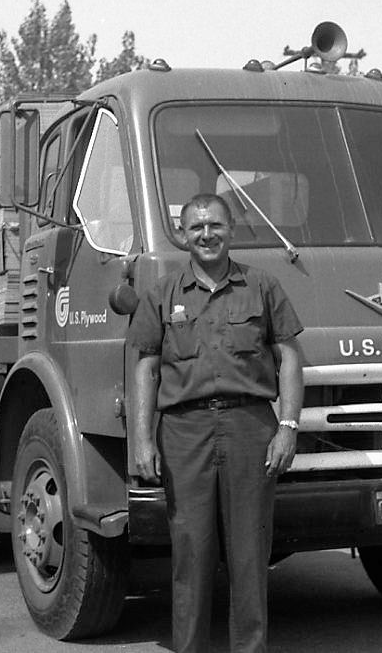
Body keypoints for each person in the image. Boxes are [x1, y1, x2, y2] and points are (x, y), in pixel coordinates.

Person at [127, 193, 304, 653]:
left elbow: (289, 357)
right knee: (191, 552)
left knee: (249, 555)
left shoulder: (262, 286)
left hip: (250, 427)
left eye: (216, 226)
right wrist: (142, 441)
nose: (207, 234)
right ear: (183, 235)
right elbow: (146, 367)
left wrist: (288, 425)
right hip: (185, 432)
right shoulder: (162, 294)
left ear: (231, 231)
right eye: (197, 227)